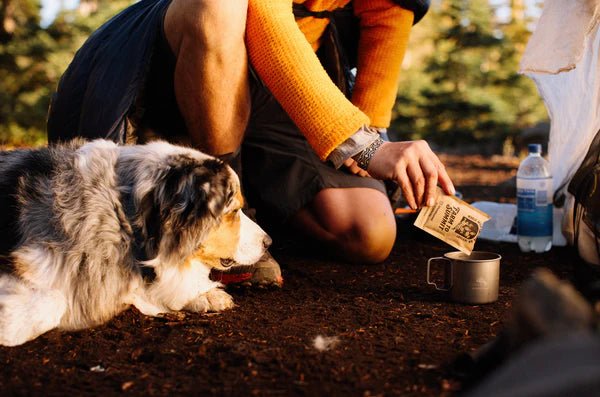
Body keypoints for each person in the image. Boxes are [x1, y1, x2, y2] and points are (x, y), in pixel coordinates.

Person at [47, 0, 455, 286]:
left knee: (370, 235)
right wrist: (361, 144)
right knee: (220, 4)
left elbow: (387, 18)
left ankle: (259, 204)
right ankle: (218, 209)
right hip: (192, 57)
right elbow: (267, 19)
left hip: (294, 85)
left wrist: (371, 137)